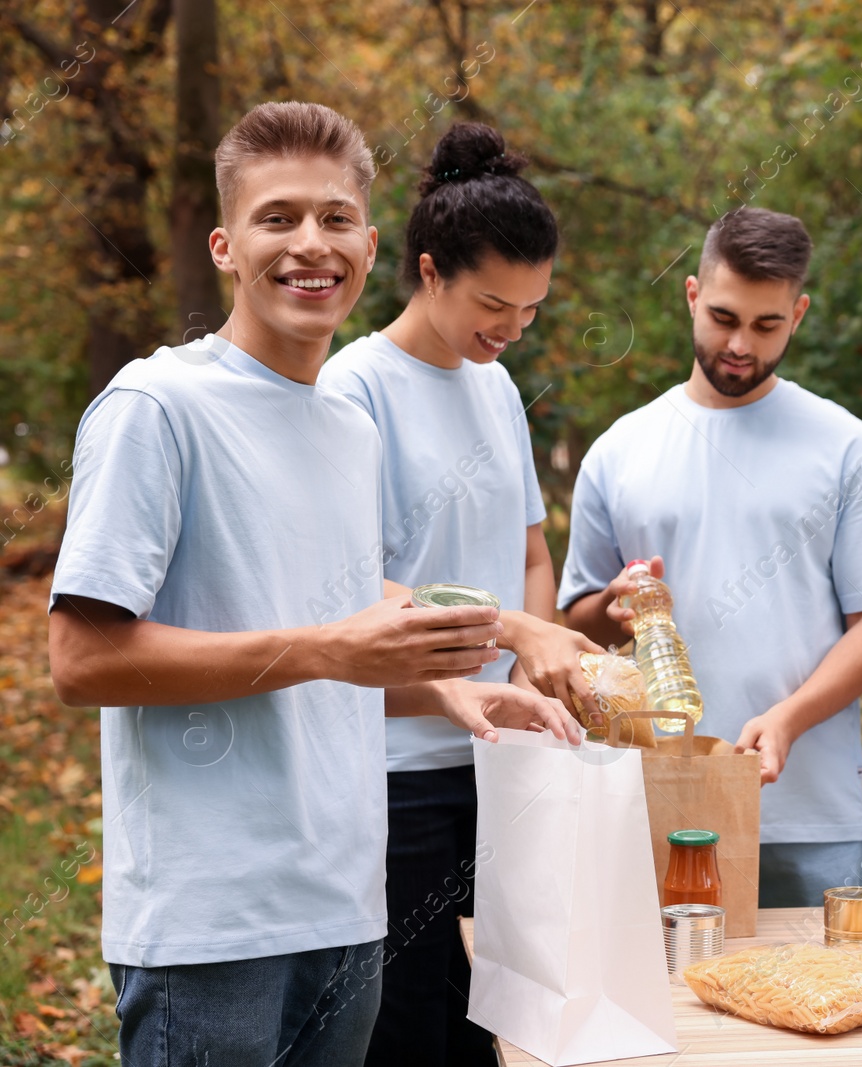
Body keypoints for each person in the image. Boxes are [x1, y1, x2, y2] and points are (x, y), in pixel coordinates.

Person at [47, 102, 579, 1067]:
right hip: (212, 930)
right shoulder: (155, 404)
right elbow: (83, 659)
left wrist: (451, 687)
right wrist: (337, 648)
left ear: (371, 246)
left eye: (335, 219)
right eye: (277, 217)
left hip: (346, 910)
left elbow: (330, 652)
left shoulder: (346, 430)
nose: (310, 244)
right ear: (224, 245)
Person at [322, 121, 602, 1067]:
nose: (513, 329)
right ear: (429, 270)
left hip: (507, 755)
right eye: (494, 303)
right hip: (400, 761)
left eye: (531, 310)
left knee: (498, 1019)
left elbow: (529, 546)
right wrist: (515, 625)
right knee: (406, 1025)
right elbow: (356, 580)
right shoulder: (354, 386)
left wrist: (535, 643)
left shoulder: (496, 387)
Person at [558, 207, 862, 907]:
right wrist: (615, 606)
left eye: (766, 325)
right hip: (654, 806)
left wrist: (787, 718)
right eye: (724, 317)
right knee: (662, 1014)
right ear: (692, 294)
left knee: (819, 1007)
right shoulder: (621, 450)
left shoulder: (848, 448)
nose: (739, 344)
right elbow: (576, 622)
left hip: (808, 814)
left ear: (800, 313)